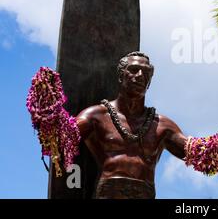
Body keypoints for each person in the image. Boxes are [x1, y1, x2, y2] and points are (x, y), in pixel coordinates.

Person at [76, 51, 187, 199]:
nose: (141, 75)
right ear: (121, 75)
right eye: (134, 70)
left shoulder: (162, 125)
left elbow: (195, 151)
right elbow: (63, 136)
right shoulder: (95, 116)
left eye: (146, 72)